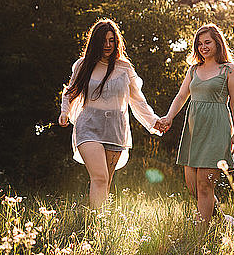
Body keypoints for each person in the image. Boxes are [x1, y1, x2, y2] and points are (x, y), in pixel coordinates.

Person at [58, 19, 163, 208]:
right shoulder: (83, 65)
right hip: (89, 126)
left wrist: (153, 121)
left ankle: (100, 225)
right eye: (103, 40)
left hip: (116, 129)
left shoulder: (124, 68)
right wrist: (64, 112)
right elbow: (70, 92)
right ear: (95, 42)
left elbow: (137, 100)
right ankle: (95, 222)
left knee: (106, 182)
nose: (107, 45)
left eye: (111, 40)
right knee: (99, 177)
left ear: (116, 42)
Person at [158, 23, 234, 231]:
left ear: (217, 43)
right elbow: (181, 96)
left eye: (208, 42)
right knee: (194, 187)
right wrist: (168, 117)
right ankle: (224, 221)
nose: (203, 46)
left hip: (217, 128)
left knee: (205, 185)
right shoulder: (194, 69)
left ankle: (200, 238)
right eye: (200, 43)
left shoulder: (229, 69)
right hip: (193, 130)